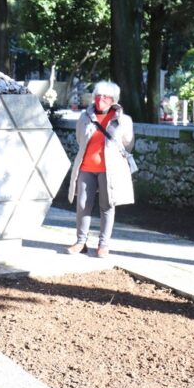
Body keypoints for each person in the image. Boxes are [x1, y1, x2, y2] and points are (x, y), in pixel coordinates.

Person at [66, 80, 135, 258]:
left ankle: (103, 244)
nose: (100, 99)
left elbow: (128, 143)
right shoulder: (85, 117)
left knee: (107, 205)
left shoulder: (123, 120)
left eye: (105, 96)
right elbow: (80, 139)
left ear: (113, 100)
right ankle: (81, 242)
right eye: (98, 95)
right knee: (82, 205)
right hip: (86, 167)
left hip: (109, 170)